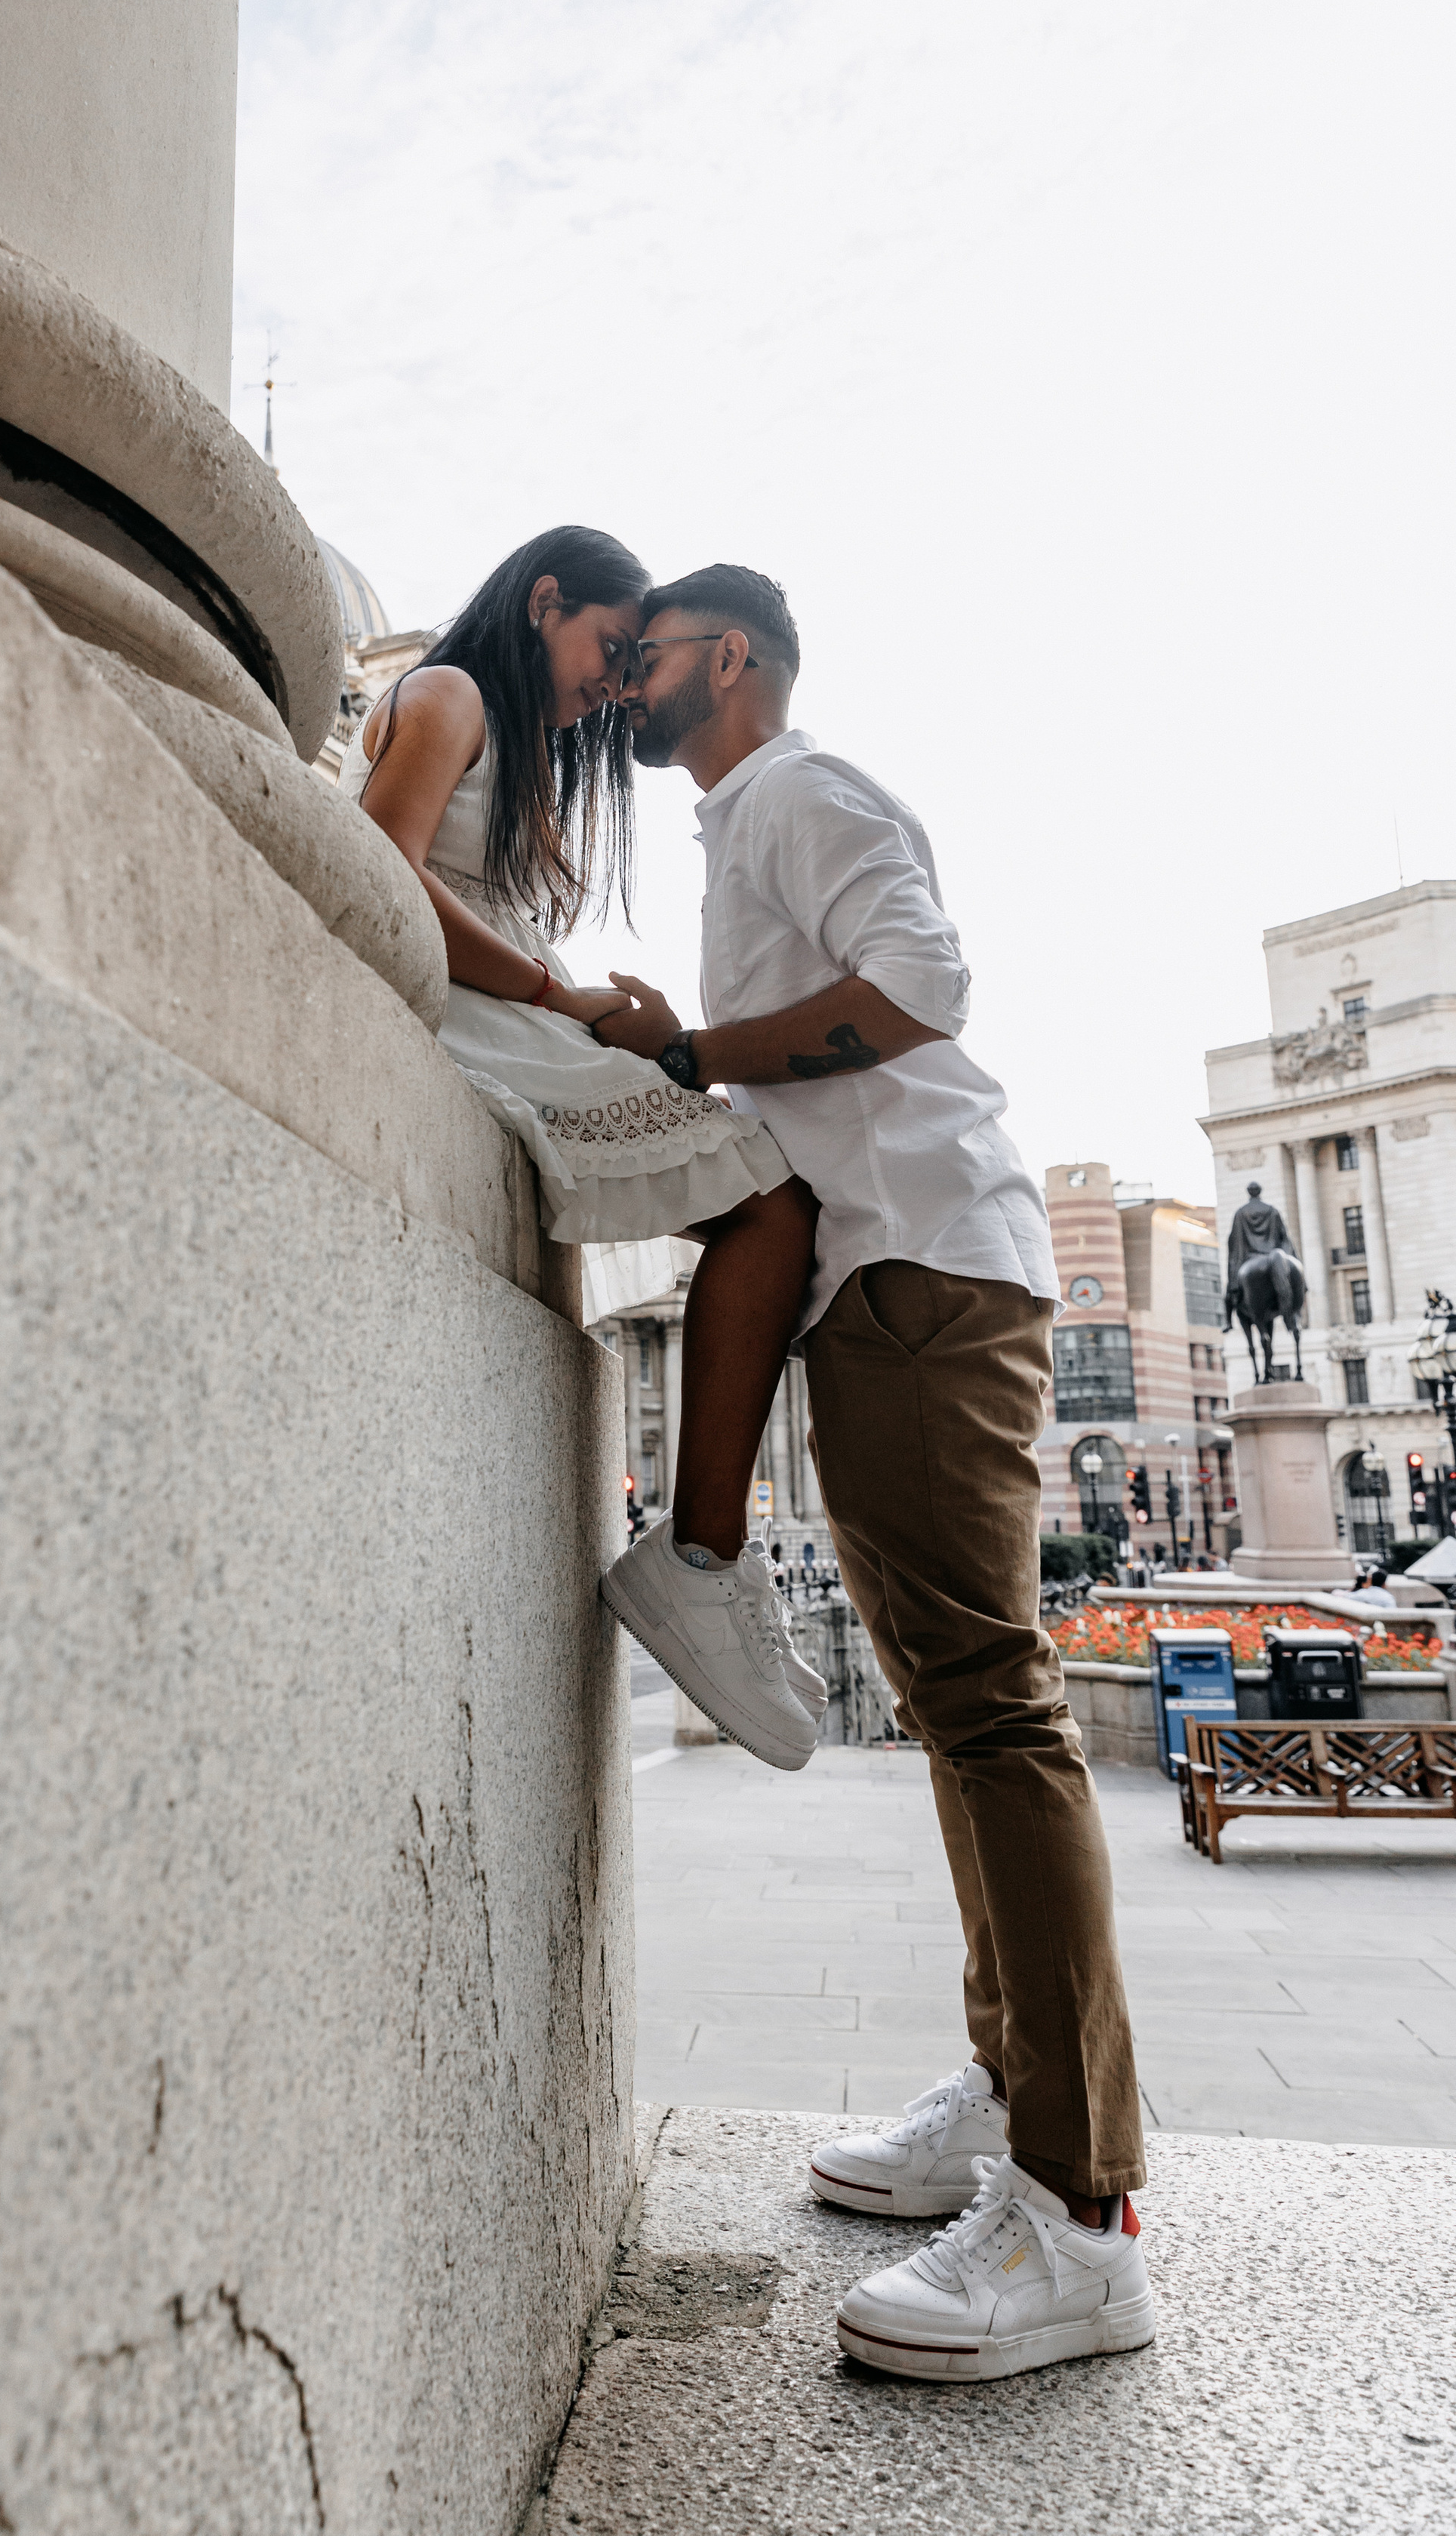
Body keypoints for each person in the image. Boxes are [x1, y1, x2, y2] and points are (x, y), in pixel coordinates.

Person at [594, 563, 1153, 2384]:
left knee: (991, 1706)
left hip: (923, 1262)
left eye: (648, 655)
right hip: (887, 1272)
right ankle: (1009, 2099)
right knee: (950, 1700)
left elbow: (918, 986)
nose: (623, 680)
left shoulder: (797, 789)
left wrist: (686, 1047)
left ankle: (1077, 2217)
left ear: (729, 658)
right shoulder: (742, 819)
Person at [345, 527, 824, 1769]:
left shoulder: (534, 755)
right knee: (768, 1203)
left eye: (629, 664)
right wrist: (560, 1002)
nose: (613, 685)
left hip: (514, 1017)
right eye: (610, 650)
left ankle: (704, 1555)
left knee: (769, 1196)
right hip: (474, 1018)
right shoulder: (446, 692)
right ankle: (699, 1557)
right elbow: (379, 866)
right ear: (541, 600)